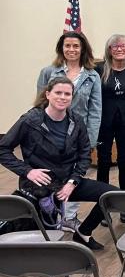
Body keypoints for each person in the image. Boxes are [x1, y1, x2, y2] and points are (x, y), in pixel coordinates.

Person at [0, 77, 116, 250]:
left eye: (67, 94)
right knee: (45, 244)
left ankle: (83, 233)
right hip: (39, 186)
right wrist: (27, 171)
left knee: (111, 195)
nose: (62, 97)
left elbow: (85, 156)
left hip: (67, 182)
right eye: (58, 93)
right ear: (48, 94)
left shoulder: (76, 121)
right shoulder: (30, 120)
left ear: (72, 97)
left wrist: (73, 182)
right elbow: (3, 149)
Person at [37, 31, 101, 233]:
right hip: (50, 134)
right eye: (67, 46)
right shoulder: (49, 72)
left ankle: (70, 217)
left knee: (76, 176)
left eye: (76, 46)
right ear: (61, 48)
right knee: (53, 175)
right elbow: (40, 104)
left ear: (82, 49)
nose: (71, 50)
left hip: (78, 135)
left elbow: (95, 110)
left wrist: (90, 140)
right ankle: (51, 216)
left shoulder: (92, 75)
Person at [95, 34, 125, 224]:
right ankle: (104, 206)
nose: (120, 49)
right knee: (103, 161)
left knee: (124, 161)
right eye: (115, 46)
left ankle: (124, 204)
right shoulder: (99, 70)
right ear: (109, 50)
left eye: (124, 46)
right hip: (103, 122)